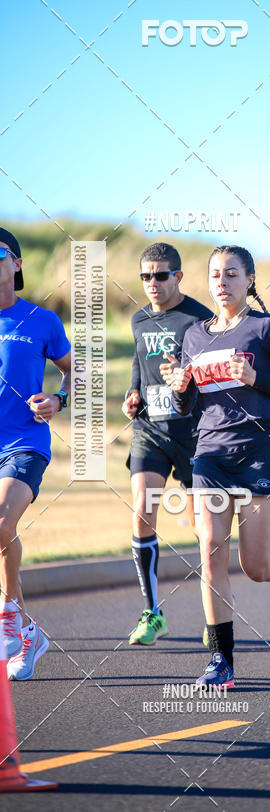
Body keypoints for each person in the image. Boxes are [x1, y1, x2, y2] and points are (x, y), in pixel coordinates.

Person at [164, 245, 270, 687]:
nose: (222, 282)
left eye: (232, 274)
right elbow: (188, 405)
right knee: (210, 550)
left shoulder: (268, 328)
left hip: (260, 452)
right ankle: (220, 661)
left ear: (249, 280)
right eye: (215, 275)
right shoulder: (194, 335)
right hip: (210, 454)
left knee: (254, 567)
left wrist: (256, 379)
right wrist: (179, 388)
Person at [122, 243, 211, 646]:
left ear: (178, 277)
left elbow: (214, 378)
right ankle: (152, 613)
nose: (152, 284)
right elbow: (138, 370)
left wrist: (187, 377)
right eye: (145, 276)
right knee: (142, 511)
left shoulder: (200, 319)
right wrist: (132, 395)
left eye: (160, 275)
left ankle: (216, 615)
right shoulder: (139, 320)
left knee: (204, 531)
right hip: (150, 431)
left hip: (194, 434)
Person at [0, 227, 71, 680]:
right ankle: (25, 629)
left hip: (24, 442)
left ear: (17, 263)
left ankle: (9, 619)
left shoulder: (42, 321)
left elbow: (73, 371)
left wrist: (59, 400)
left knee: (2, 523)